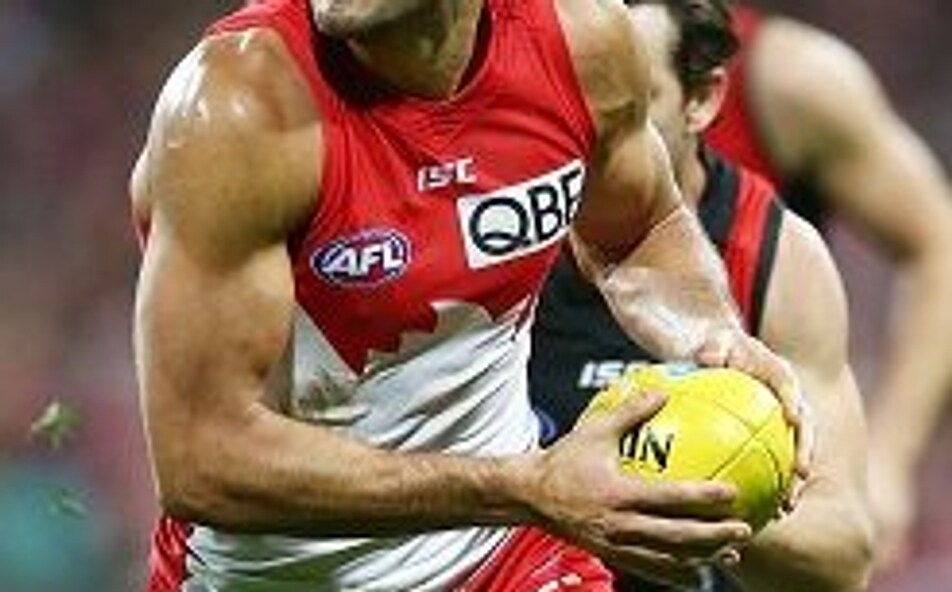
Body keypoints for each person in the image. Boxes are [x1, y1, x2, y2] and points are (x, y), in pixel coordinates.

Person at [130, 0, 810, 590]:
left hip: (509, 560)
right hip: (268, 579)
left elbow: (640, 230)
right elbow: (203, 459)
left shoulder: (581, 41)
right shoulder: (238, 105)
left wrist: (712, 335)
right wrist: (524, 488)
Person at [530, 1, 871, 590]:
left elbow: (843, 557)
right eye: (573, 95)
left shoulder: (775, 253)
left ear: (703, 99)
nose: (592, 127)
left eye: (631, 100)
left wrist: (691, 497)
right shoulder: (496, 232)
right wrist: (536, 493)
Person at [704, 2, 952, 568]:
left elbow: (939, 244)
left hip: (763, 497)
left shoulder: (785, 78)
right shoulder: (519, 76)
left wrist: (889, 458)